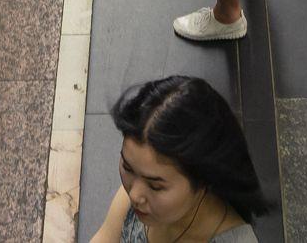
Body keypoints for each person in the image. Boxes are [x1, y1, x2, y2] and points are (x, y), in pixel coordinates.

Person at [91, 76, 264, 243]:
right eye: (128, 168)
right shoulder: (138, 193)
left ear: (204, 180)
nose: (134, 195)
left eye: (156, 186)